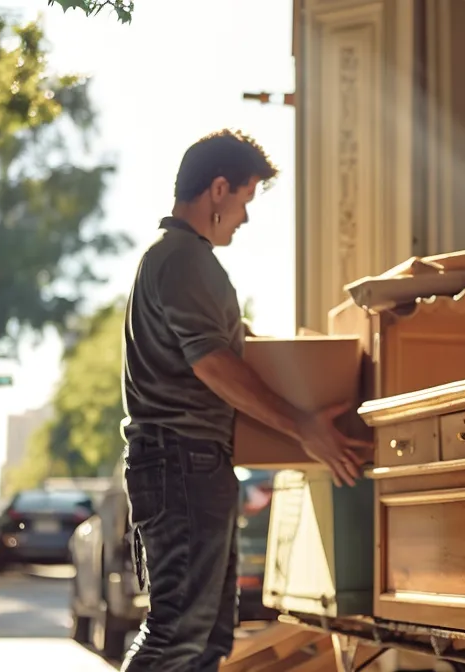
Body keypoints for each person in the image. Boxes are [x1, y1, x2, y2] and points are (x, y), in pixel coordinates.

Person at [117, 129, 371, 671]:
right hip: (179, 461)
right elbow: (212, 362)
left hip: (189, 464)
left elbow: (226, 346)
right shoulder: (184, 260)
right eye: (244, 200)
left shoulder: (178, 261)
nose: (245, 218)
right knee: (177, 636)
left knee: (207, 640)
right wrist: (303, 423)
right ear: (218, 189)